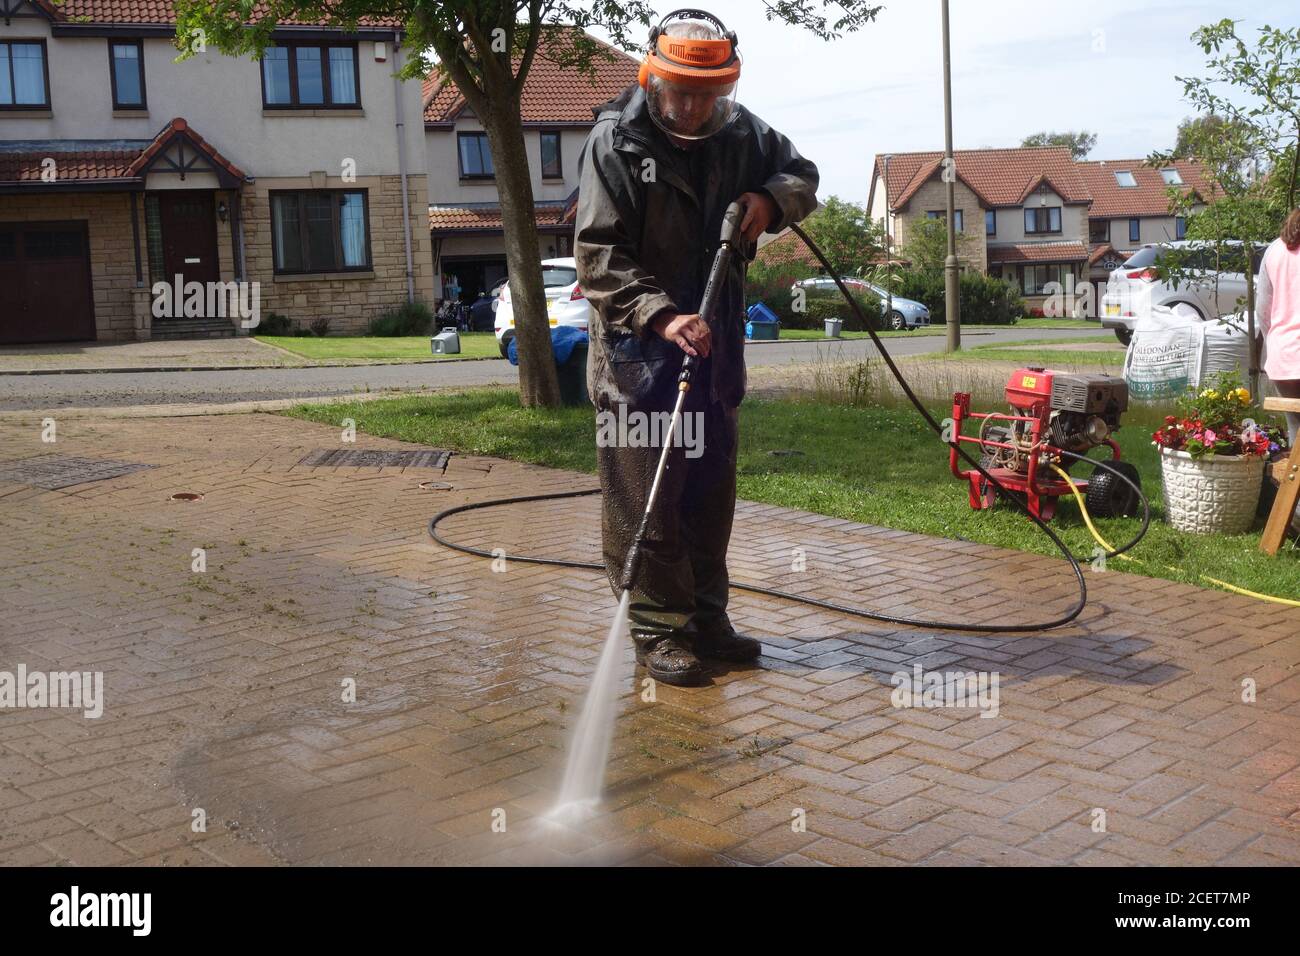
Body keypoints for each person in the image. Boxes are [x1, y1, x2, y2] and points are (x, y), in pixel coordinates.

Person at [574, 9, 819, 685]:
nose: (691, 107)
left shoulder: (743, 135)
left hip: (716, 355)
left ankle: (707, 621)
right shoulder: (616, 143)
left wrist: (771, 202)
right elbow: (598, 256)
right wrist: (661, 315)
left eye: (708, 95)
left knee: (709, 497)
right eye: (680, 92)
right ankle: (657, 631)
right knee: (648, 500)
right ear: (652, 78)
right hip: (638, 358)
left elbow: (802, 174)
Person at [1257, 208, 1300, 446]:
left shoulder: (1274, 250)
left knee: (1296, 427)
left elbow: (1263, 310)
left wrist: (1274, 344)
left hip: (1283, 358)